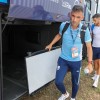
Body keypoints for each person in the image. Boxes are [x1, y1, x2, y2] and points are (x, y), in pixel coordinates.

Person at [45, 5, 93, 100]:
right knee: (58, 81)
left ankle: (73, 98)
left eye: (78, 17)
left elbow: (89, 47)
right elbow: (59, 35)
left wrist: (89, 63)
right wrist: (51, 44)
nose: (74, 19)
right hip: (63, 59)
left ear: (82, 17)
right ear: (71, 14)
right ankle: (65, 94)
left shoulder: (84, 29)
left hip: (76, 61)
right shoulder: (64, 25)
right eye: (73, 16)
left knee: (75, 82)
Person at [91, 13, 100, 88]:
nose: (93, 22)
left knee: (99, 63)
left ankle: (96, 80)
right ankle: (96, 74)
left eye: (95, 20)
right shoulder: (93, 26)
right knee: (95, 63)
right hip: (94, 47)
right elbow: (92, 36)